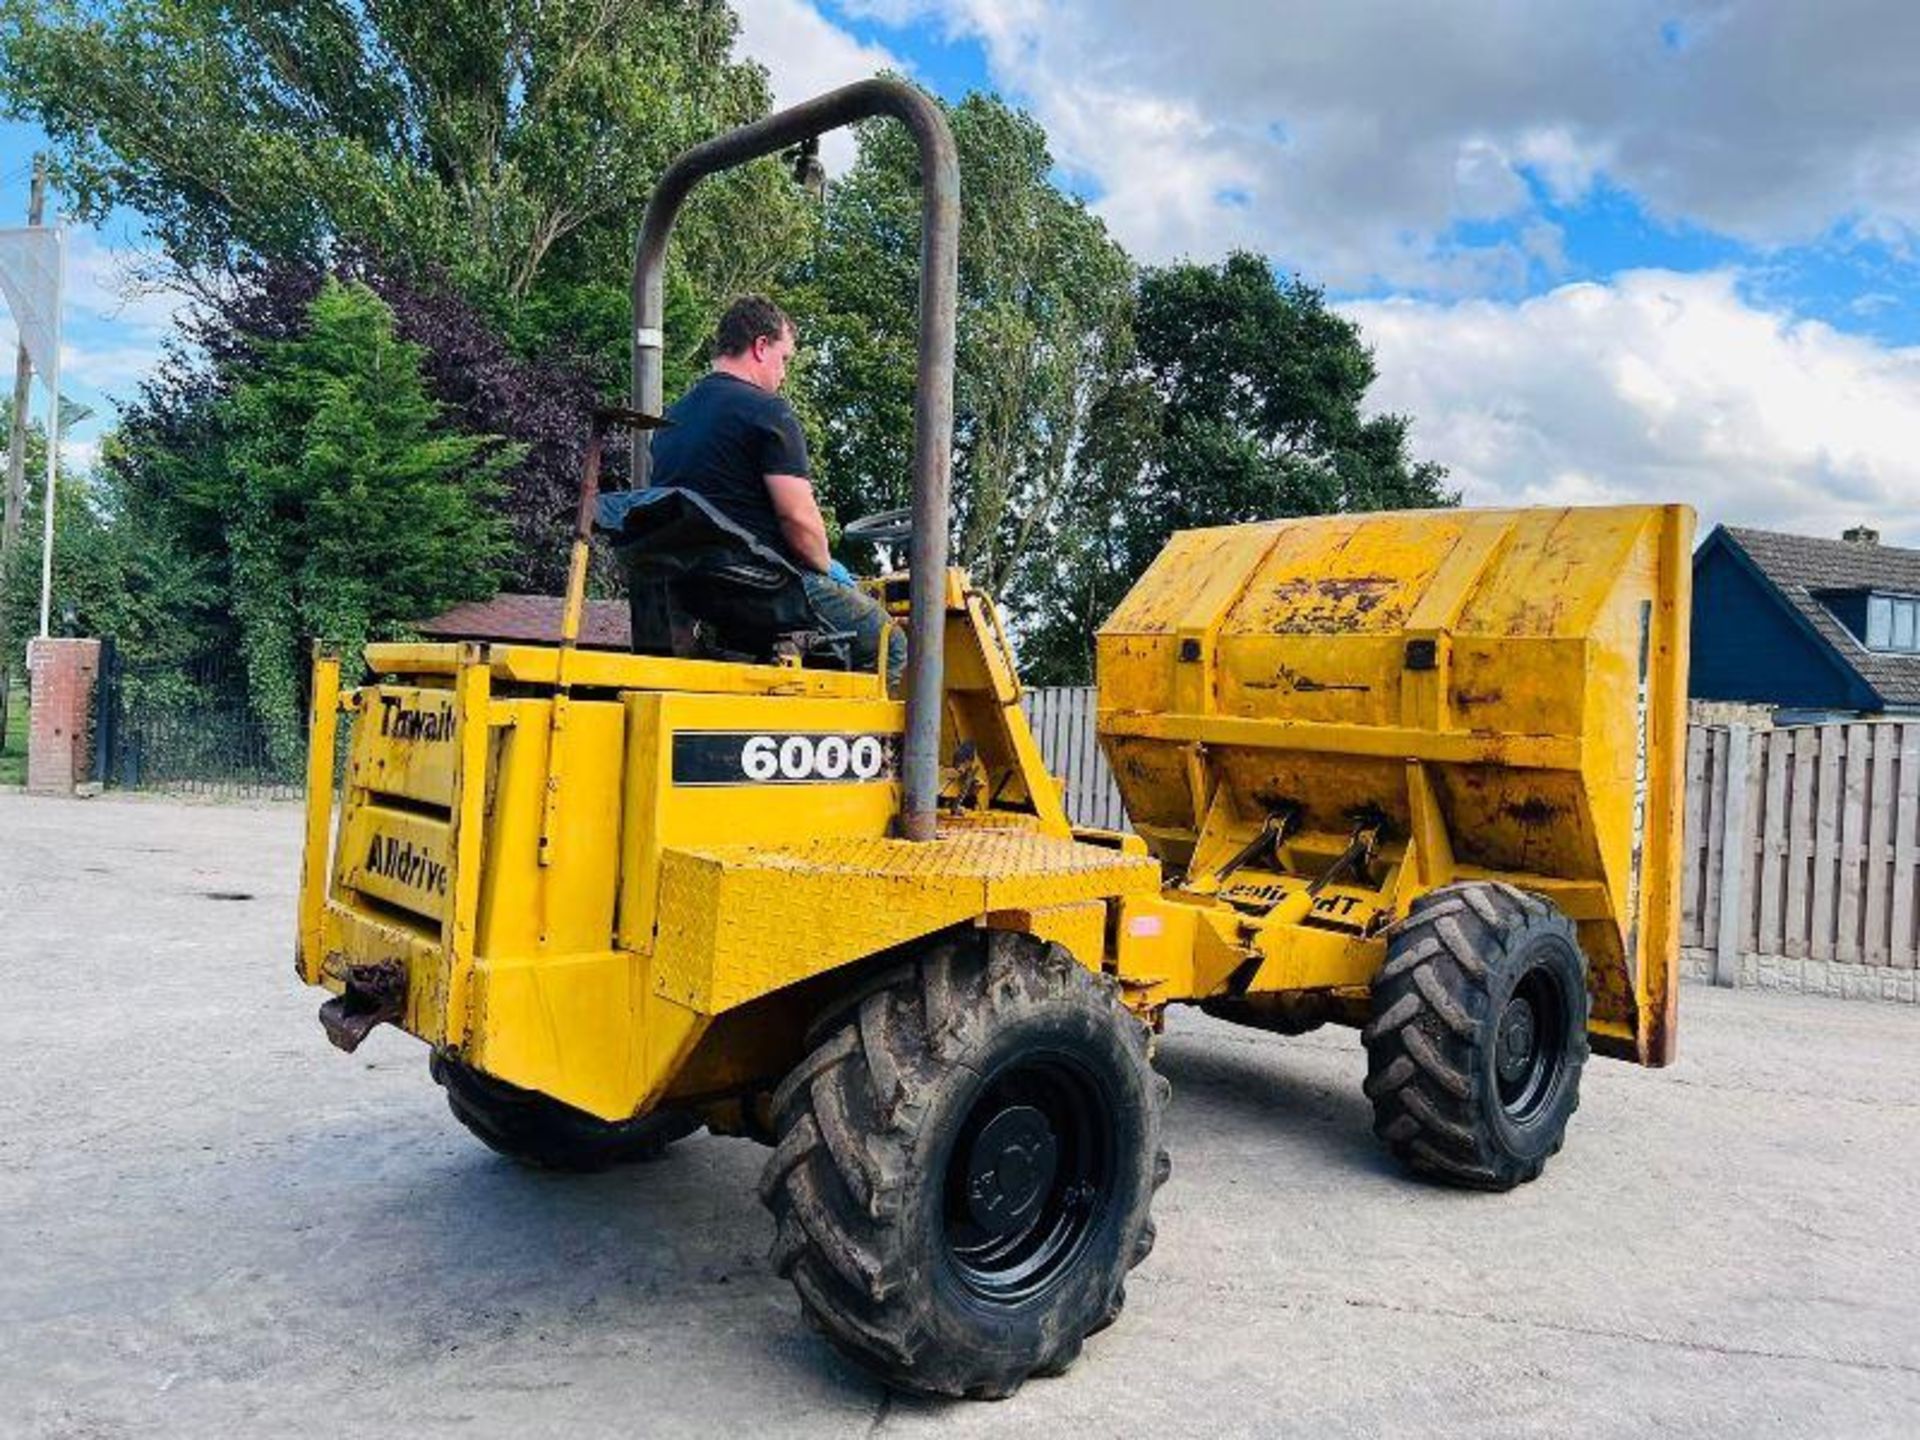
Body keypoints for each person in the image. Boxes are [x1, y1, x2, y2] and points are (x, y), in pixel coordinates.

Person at [647, 295, 906, 690]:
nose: (784, 373)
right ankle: (869, 750)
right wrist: (827, 568)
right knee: (889, 641)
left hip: (694, 588)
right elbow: (798, 521)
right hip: (758, 586)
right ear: (761, 346)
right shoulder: (767, 412)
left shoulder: (672, 418)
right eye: (784, 358)